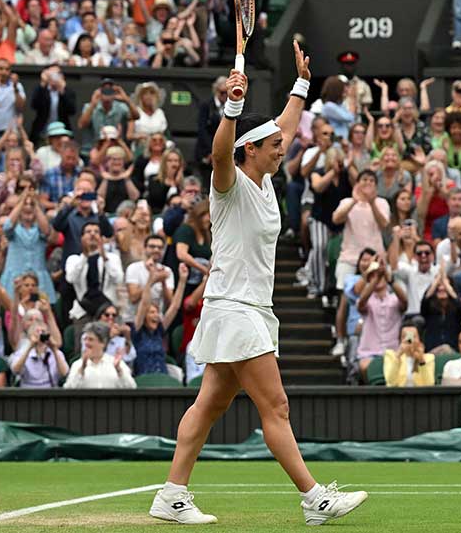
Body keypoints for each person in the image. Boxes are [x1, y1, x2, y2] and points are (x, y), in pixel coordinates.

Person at [153, 42, 368, 527]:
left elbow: (285, 127)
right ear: (250, 150)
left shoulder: (266, 176)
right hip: (234, 306)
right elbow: (218, 152)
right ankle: (315, 498)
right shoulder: (228, 183)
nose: (283, 148)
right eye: (273, 146)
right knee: (276, 404)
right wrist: (232, 105)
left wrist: (301, 84)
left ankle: (171, 494)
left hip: (247, 307)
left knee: (208, 406)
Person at [64, 321, 137, 389]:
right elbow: (68, 390)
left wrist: (118, 370)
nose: (86, 343)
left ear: (103, 343)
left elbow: (132, 388)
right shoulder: (77, 364)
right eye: (85, 339)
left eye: (91, 339)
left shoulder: (116, 363)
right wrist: (82, 369)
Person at [9, 313, 69, 388]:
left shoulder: (57, 353)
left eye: (43, 331)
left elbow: (64, 373)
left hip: (51, 391)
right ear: (30, 335)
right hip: (28, 391)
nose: (40, 334)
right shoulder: (22, 352)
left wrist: (54, 349)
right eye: (37, 331)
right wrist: (30, 346)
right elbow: (15, 370)